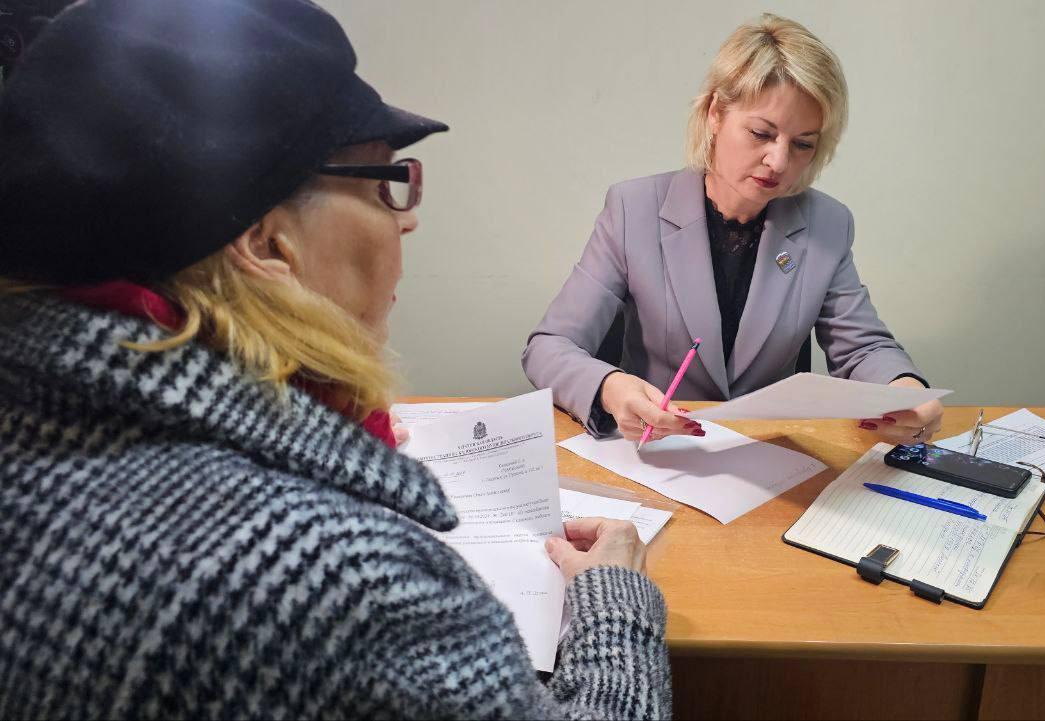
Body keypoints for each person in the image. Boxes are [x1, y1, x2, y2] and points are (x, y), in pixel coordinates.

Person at [0, 1, 670, 718]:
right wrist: (614, 596)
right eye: (384, 183)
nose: (407, 217)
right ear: (266, 244)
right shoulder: (336, 580)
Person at [523, 14, 943, 445]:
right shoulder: (633, 209)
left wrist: (906, 389)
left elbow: (863, 348)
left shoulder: (828, 224)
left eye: (803, 144)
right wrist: (610, 387)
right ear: (715, 113)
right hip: (662, 448)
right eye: (761, 133)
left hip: (769, 453)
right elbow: (549, 346)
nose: (779, 162)